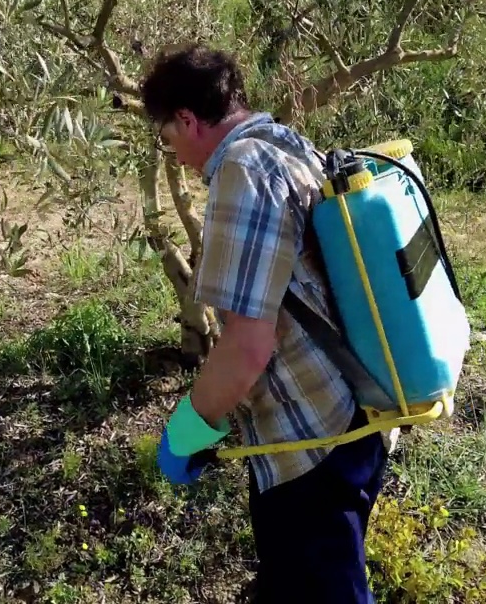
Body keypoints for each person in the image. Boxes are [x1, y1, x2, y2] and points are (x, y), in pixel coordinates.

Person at [140, 43, 390, 603]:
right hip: (352, 407)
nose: (175, 156)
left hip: (311, 442)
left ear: (187, 119)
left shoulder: (241, 170)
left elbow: (247, 348)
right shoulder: (285, 144)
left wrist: (189, 427)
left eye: (169, 139)